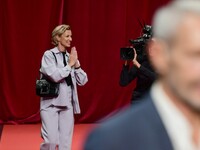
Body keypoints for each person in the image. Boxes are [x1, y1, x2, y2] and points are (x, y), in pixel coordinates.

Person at [84, 1, 200, 150]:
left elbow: (154, 77)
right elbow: (124, 82)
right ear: (160, 54)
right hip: (139, 101)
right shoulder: (111, 140)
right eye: (194, 55)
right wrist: (127, 64)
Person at [40, 24, 88, 150]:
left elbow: (83, 80)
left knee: (65, 145)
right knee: (50, 141)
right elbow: (54, 76)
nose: (70, 39)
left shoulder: (70, 57)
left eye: (71, 36)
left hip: (67, 105)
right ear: (58, 37)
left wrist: (76, 65)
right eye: (67, 36)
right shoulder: (48, 55)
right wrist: (69, 65)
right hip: (50, 104)